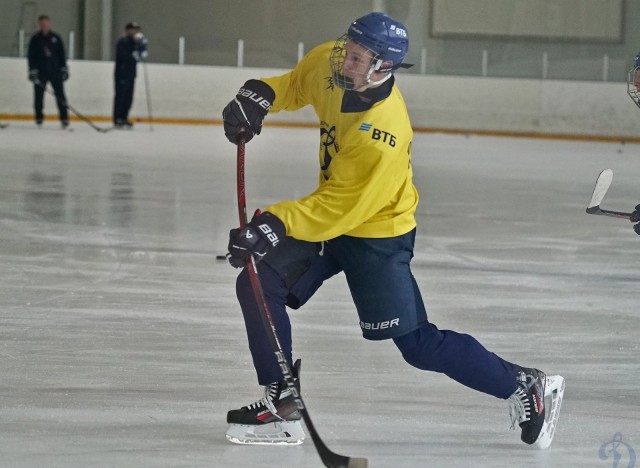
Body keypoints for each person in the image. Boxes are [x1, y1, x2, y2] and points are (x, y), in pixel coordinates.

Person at [221, 12, 565, 449]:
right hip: (329, 219)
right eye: (349, 49)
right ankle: (283, 402)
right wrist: (260, 96)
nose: (346, 62)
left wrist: (273, 224)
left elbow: (343, 207)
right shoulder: (332, 63)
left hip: (376, 233)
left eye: (360, 59)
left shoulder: (382, 130)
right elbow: (295, 84)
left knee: (418, 345)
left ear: (384, 68)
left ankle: (521, 384)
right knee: (257, 282)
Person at [27, 15, 69, 128]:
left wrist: (64, 68)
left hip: (55, 71)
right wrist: (32, 71)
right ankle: (39, 117)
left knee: (60, 95)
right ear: (39, 25)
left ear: (49, 24)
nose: (44, 26)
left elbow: (62, 55)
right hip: (40, 72)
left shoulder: (56, 38)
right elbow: (31, 56)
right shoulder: (35, 39)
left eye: (45, 24)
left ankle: (64, 118)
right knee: (38, 96)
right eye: (41, 24)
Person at [113, 22, 148, 129]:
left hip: (131, 73)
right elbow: (122, 55)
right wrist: (133, 55)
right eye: (133, 29)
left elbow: (138, 54)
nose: (135, 32)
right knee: (121, 96)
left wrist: (142, 47)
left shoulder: (135, 42)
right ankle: (118, 118)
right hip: (122, 73)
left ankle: (124, 117)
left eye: (136, 30)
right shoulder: (122, 42)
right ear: (128, 30)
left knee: (128, 97)